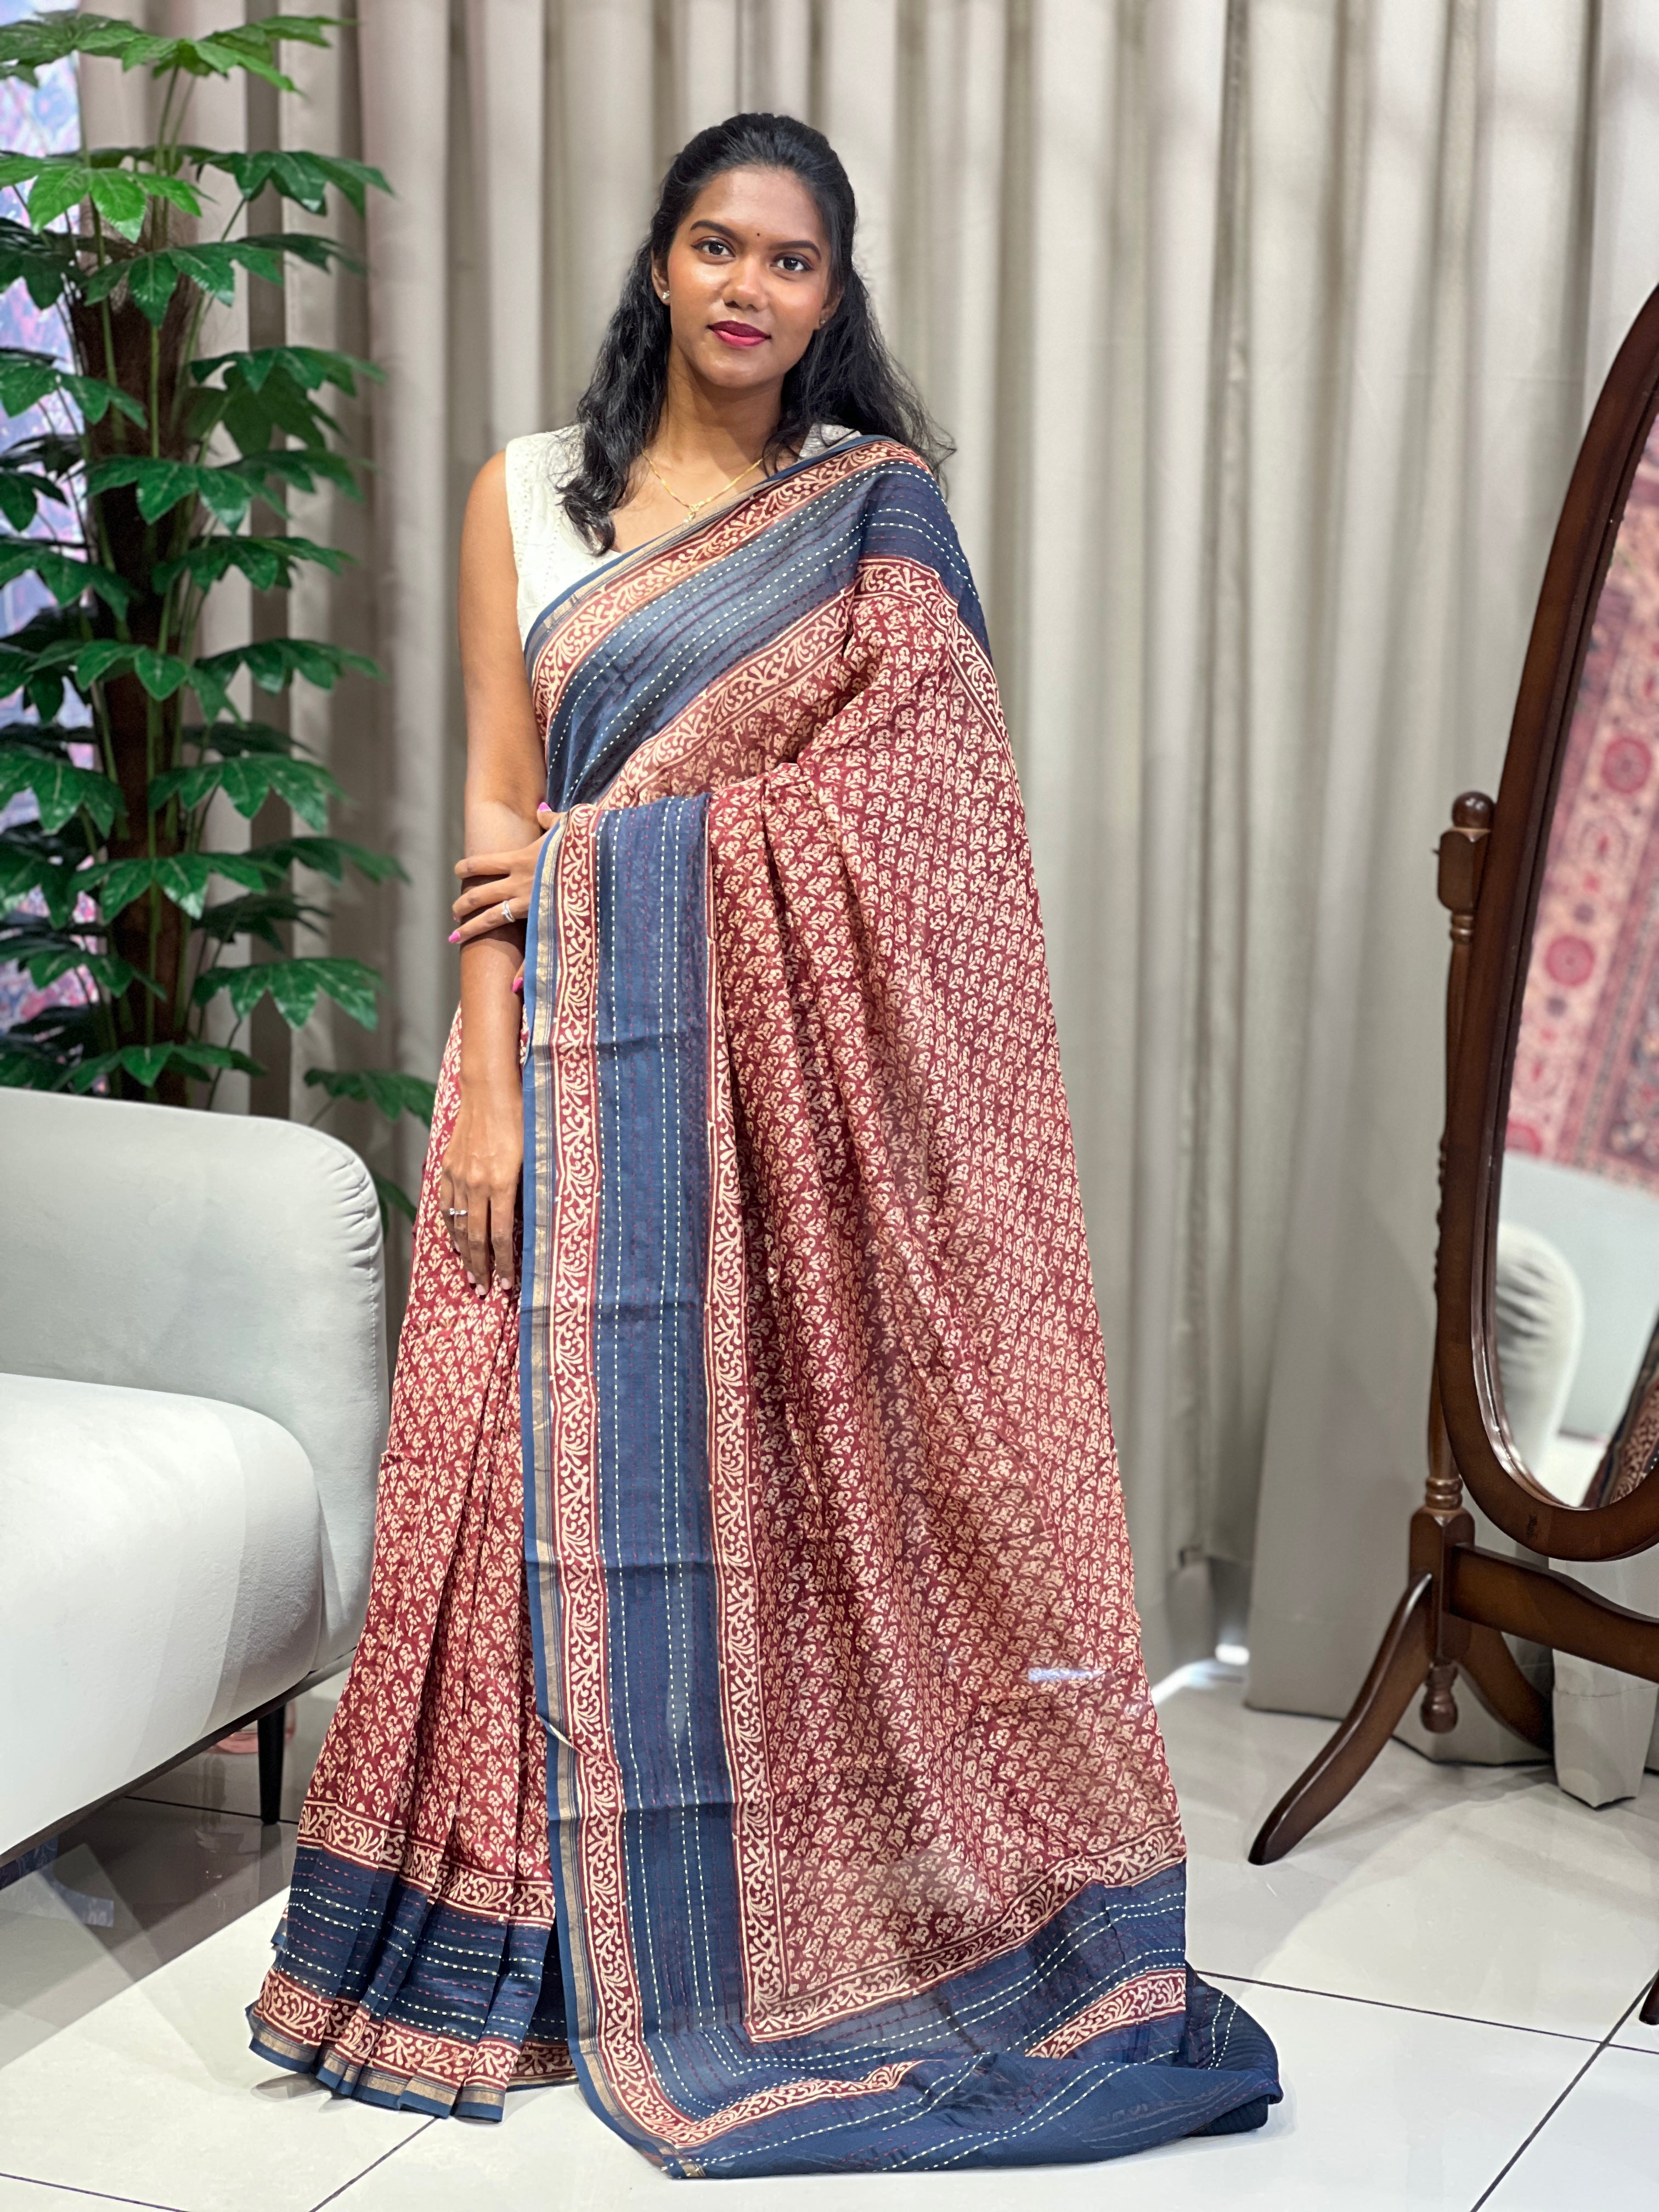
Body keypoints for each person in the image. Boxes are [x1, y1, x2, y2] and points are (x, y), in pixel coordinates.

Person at [247, 111, 1280, 2174]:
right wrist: (487, 1084)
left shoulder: (870, 513)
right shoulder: (527, 493)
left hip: (774, 1123)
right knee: (520, 1504)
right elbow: (499, 808)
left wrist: (622, 862)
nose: (748, 287)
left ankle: (765, 1941)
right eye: (717, 245)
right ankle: (520, 1957)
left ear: (832, 296)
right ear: (662, 260)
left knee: (777, 1519)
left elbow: (932, 814)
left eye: (791, 261)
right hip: (556, 1071)